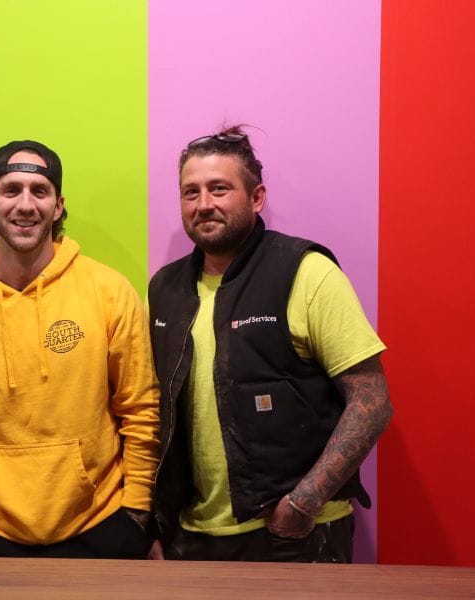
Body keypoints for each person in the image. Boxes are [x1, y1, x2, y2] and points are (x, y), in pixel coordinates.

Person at [147, 126, 392, 562]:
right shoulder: (165, 288)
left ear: (256, 197)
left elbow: (372, 400)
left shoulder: (305, 271)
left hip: (296, 535)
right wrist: (156, 522)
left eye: (219, 188)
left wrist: (303, 502)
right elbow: (155, 412)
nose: (203, 204)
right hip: (192, 536)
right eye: (190, 192)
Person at [0, 140, 159, 558]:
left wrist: (136, 511)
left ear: (58, 206)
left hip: (102, 525)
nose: (25, 204)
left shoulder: (109, 292)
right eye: (11, 190)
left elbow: (141, 410)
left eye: (39, 191)